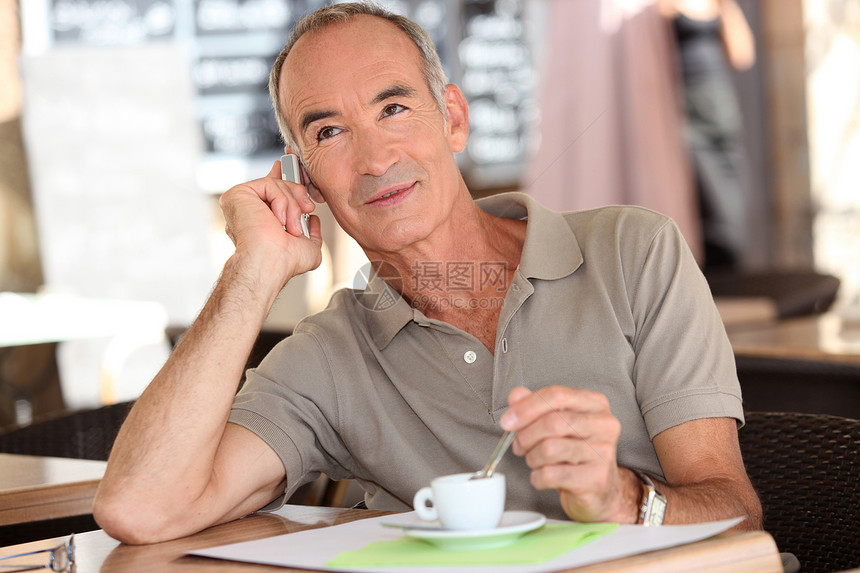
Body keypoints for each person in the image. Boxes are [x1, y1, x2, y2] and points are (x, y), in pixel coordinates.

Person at [93, 2, 761, 544]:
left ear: (454, 118)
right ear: (306, 179)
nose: (376, 159)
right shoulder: (330, 357)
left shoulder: (633, 252)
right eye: (329, 132)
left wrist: (619, 496)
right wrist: (253, 270)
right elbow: (140, 508)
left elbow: (735, 509)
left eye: (393, 109)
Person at [660, 0, 756, 268]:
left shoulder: (718, 4)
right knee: (702, 198)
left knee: (731, 198)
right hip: (681, 104)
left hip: (717, 103)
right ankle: (708, 277)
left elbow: (742, 55)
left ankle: (730, 268)